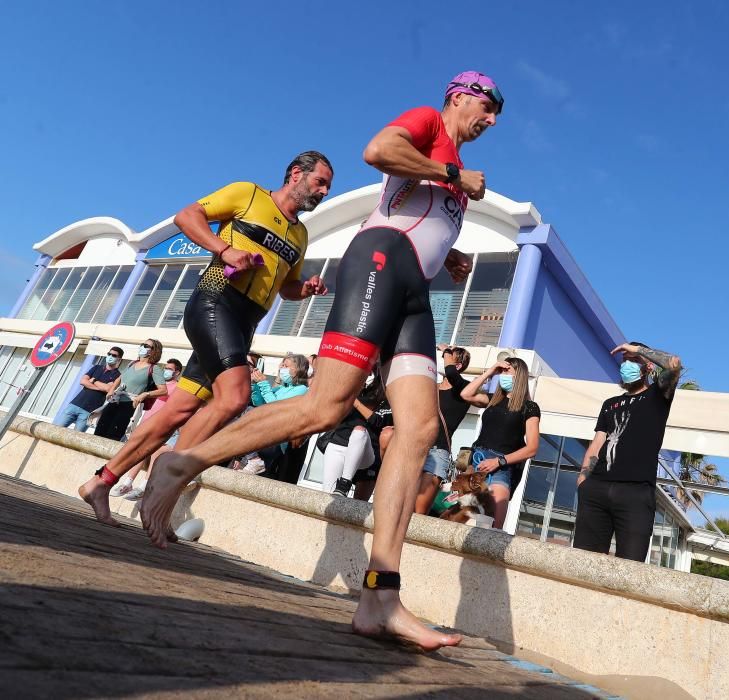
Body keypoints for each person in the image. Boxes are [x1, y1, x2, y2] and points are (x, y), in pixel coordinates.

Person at [141, 70, 502, 651]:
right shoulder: (430, 124)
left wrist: (453, 255)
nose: (492, 121)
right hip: (380, 262)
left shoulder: (451, 162)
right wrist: (454, 173)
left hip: (415, 292)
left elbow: (422, 211)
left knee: (419, 429)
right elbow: (378, 151)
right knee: (324, 406)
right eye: (487, 108)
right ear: (462, 96)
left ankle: (380, 596)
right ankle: (182, 463)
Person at [78, 151, 333, 526]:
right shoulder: (249, 194)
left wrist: (305, 288)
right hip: (215, 301)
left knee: (179, 409)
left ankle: (102, 482)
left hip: (246, 323)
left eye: (327, 186)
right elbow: (187, 216)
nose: (323, 191)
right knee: (235, 396)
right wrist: (225, 249)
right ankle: (164, 485)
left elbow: (286, 288)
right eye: (320, 182)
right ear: (296, 174)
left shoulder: (300, 233)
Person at [573, 342, 682, 562]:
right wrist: (583, 480)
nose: (627, 365)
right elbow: (597, 443)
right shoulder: (610, 404)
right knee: (583, 562)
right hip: (596, 488)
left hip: (636, 493)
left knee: (630, 567)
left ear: (648, 367)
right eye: (625, 361)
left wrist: (639, 350)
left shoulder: (657, 396)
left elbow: (675, 364)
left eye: (633, 361)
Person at [460, 357, 541, 528]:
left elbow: (532, 448)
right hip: (476, 461)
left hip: (501, 467)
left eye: (507, 370)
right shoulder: (492, 400)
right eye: (501, 371)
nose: (502, 374)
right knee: (462, 518)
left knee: (493, 526)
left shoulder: (529, 407)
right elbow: (465, 394)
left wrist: (498, 461)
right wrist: (490, 371)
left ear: (519, 375)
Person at [111, 358, 183, 499]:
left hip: (162, 425)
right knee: (139, 451)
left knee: (155, 453)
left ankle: (143, 486)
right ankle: (127, 482)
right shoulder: (157, 385)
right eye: (165, 368)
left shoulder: (178, 388)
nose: (166, 371)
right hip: (146, 422)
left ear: (177, 372)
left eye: (169, 369)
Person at [414, 345, 472, 515]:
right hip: (416, 446)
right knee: (402, 501)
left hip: (438, 451)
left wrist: (447, 350)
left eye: (446, 357)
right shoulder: (430, 386)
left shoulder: (464, 389)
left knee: (419, 509)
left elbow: (452, 375)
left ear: (458, 365)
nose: (442, 360)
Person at [320, 368, 386, 495]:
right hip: (338, 444)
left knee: (359, 431)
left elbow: (378, 422)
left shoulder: (385, 397)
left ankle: (345, 483)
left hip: (366, 451)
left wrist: (354, 401)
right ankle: (340, 492)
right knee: (327, 496)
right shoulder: (357, 389)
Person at [94, 340, 167, 441]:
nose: (142, 346)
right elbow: (119, 378)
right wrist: (111, 390)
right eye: (142, 344)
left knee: (113, 435)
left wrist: (145, 394)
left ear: (154, 351)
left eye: (146, 345)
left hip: (130, 405)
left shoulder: (155, 368)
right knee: (99, 431)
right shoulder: (132, 363)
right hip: (115, 400)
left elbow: (163, 390)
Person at [53, 347, 124, 432]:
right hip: (75, 404)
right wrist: (101, 387)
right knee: (54, 430)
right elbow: (83, 381)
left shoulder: (117, 375)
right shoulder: (96, 367)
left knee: (76, 438)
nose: (110, 356)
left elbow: (108, 388)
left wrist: (93, 380)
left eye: (114, 355)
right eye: (109, 354)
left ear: (119, 359)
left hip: (90, 411)